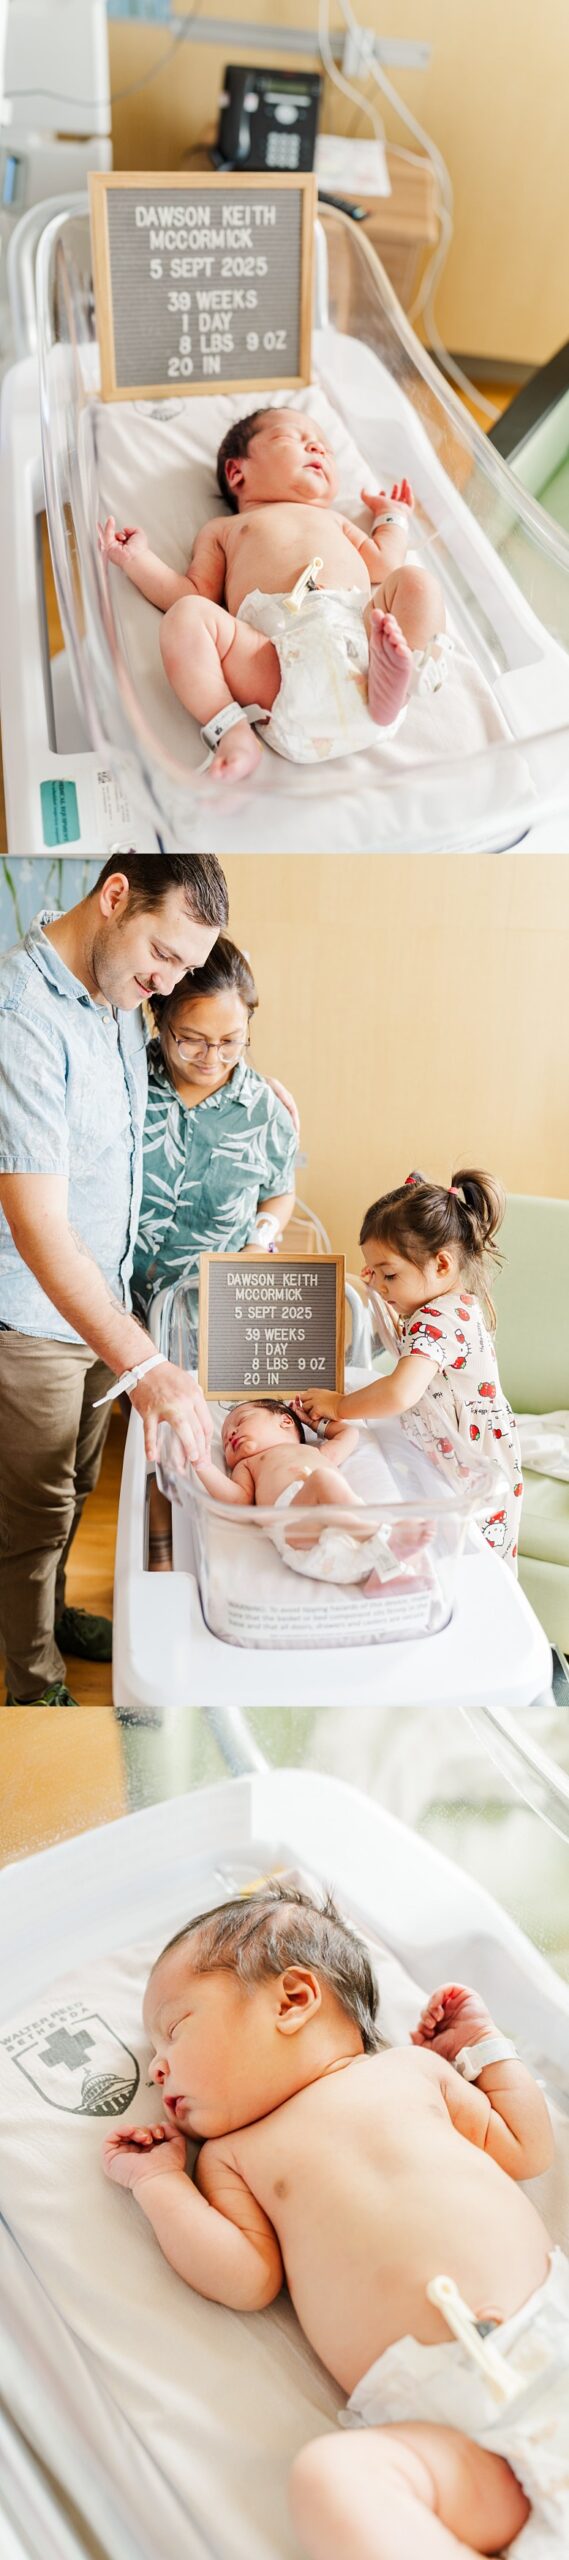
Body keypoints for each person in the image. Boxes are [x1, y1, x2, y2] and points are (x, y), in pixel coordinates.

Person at [102, 1882, 566, 2560]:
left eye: (173, 2030)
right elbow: (243, 2277)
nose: (157, 2069)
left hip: (554, 2339)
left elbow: (526, 2148)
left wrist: (482, 2049)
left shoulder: (413, 2073)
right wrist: (159, 2183)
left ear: (292, 2000)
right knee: (335, 2476)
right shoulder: (233, 2157)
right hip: (461, 2443)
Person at [0, 857, 292, 1705]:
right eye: (161, 955)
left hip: (109, 1306)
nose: (164, 982)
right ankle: (31, 1684)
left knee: (77, 1492)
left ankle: (49, 1620)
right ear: (115, 896)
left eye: (180, 967)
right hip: (37, 1317)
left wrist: (258, 1098)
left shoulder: (118, 999)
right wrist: (146, 1362)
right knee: (33, 1517)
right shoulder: (24, 1018)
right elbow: (38, 1223)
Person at [99, 407, 448, 781]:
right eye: (292, 438)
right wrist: (137, 560)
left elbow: (385, 563)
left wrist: (392, 517)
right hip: (275, 665)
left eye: (325, 448)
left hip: (364, 650)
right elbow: (192, 591)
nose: (317, 448)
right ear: (237, 472)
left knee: (416, 581)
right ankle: (231, 731)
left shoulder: (336, 521)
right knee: (186, 615)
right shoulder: (225, 529)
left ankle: (400, 680)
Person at [296, 1169, 523, 1570]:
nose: (380, 1286)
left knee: (477, 1568)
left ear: (441, 1264)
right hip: (467, 1453)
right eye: (374, 1274)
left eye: (389, 1274)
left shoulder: (436, 1320)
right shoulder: (446, 1304)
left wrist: (340, 1405)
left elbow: (400, 1391)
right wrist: (377, 1287)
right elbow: (401, 1343)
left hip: (478, 1467)